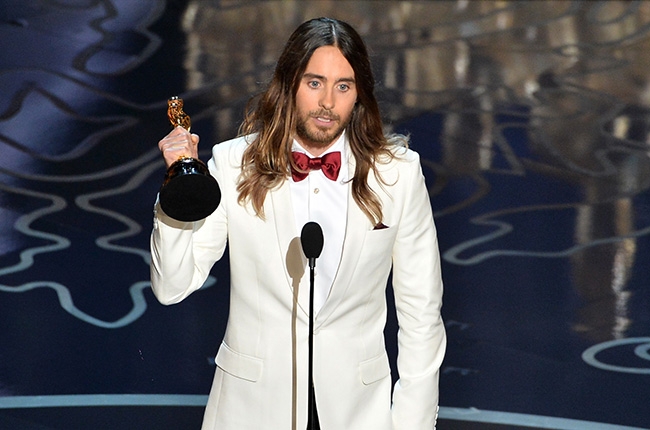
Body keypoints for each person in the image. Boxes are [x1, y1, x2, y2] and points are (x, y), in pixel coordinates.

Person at [150, 17, 446, 430]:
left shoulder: (397, 174)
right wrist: (180, 188)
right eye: (314, 83)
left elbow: (421, 313)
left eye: (343, 86)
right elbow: (172, 287)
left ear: (359, 94)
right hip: (251, 411)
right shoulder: (234, 165)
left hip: (358, 414)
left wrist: (413, 424)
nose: (327, 102)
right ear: (289, 84)